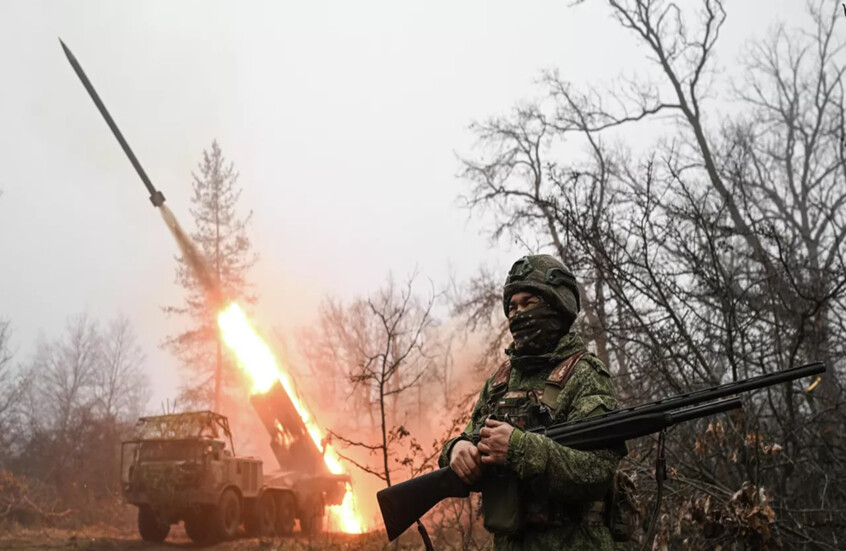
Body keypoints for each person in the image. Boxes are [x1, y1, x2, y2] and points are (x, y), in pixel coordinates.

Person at [439, 254, 620, 551]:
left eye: (529, 303)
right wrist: (456, 450)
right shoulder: (500, 382)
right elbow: (467, 440)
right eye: (512, 307)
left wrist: (519, 449)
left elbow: (597, 470)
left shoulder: (585, 375)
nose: (518, 313)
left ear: (556, 306)